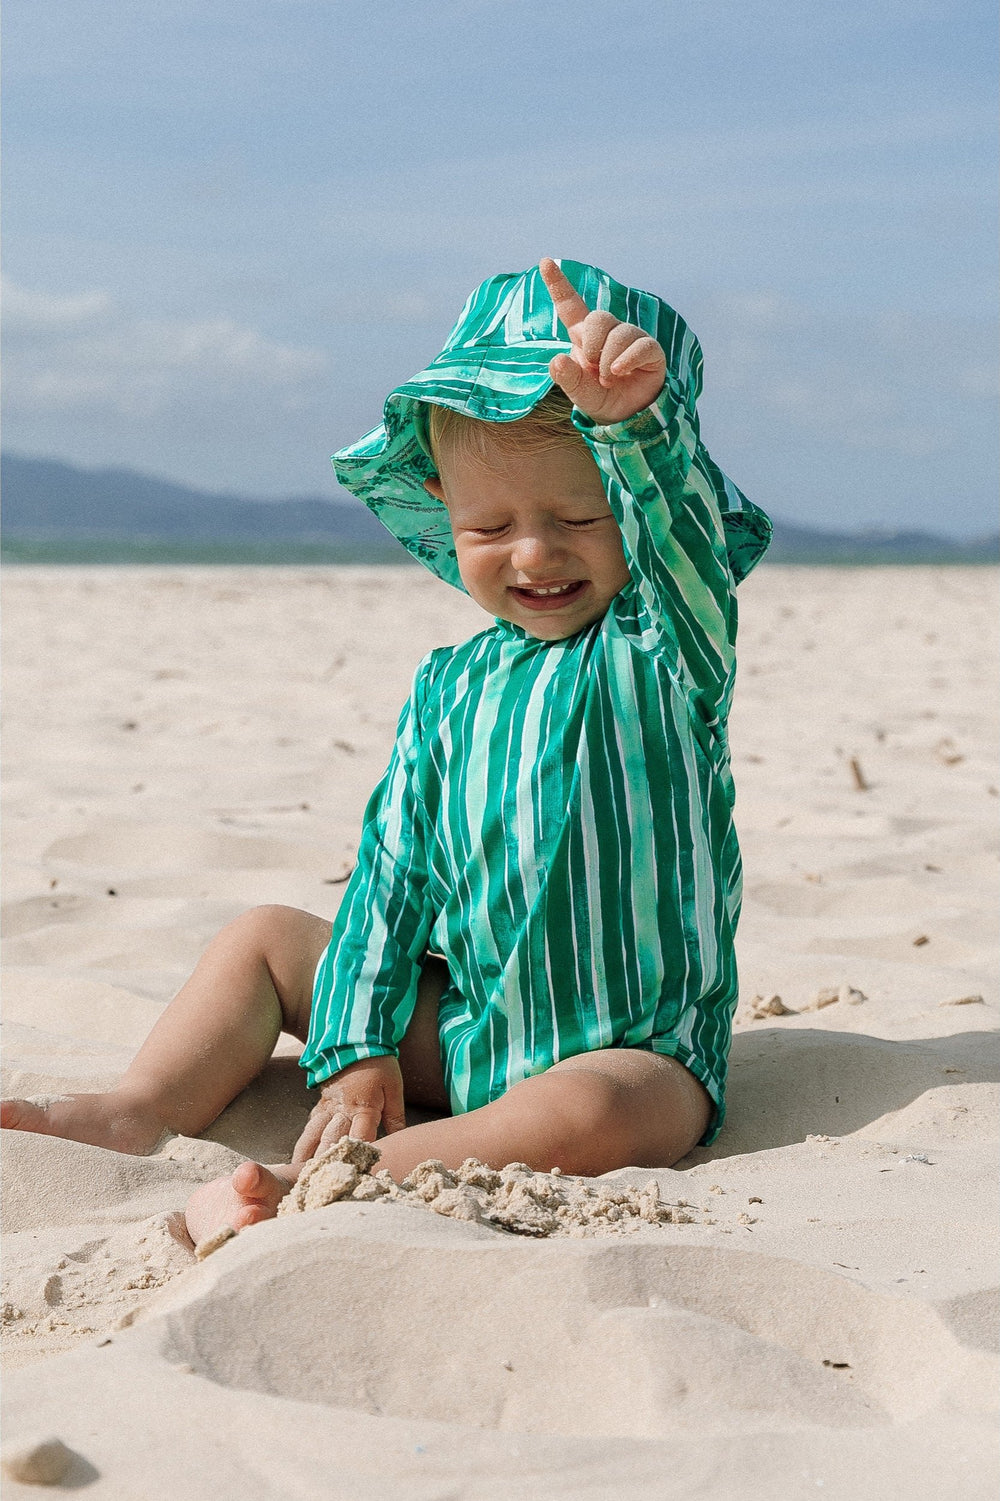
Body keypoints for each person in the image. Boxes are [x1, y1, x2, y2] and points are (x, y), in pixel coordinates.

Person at [1, 259, 771, 1244]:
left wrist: (634, 429)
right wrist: (361, 1042)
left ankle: (303, 1182)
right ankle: (138, 1107)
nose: (532, 553)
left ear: (624, 509)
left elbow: (684, 546)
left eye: (577, 519)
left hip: (632, 1052)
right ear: (445, 513)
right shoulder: (448, 687)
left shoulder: (661, 650)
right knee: (263, 940)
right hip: (463, 1027)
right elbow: (394, 876)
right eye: (490, 526)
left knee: (591, 1117)